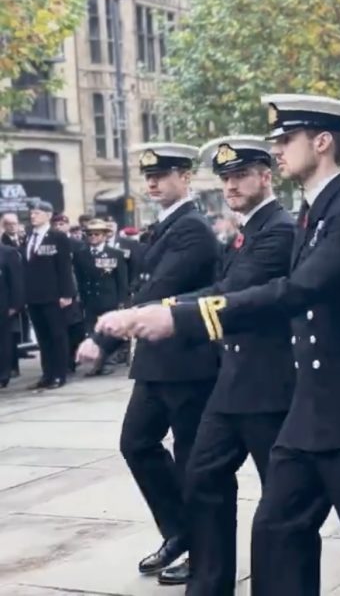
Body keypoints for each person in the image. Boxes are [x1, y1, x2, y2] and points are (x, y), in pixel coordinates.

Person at [95, 94, 340, 595]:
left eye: (286, 140)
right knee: (277, 532)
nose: (278, 151)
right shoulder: (315, 213)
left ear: (321, 142)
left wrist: (178, 318)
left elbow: (293, 292)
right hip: (314, 407)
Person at [150, 136, 299, 591]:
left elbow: (234, 293)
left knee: (280, 502)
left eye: (240, 176)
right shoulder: (247, 230)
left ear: (265, 176)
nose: (231, 186)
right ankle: (209, 584)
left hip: (268, 385)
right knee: (201, 480)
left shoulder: (279, 229)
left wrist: (165, 311)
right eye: (227, 178)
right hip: (233, 383)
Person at [77, 143, 221, 578]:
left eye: (164, 175)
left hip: (188, 364)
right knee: (136, 444)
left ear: (186, 178)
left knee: (192, 459)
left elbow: (155, 290)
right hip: (157, 363)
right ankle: (179, 531)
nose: (153, 183)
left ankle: (204, 552)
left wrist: (103, 337)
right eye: (149, 177)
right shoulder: (163, 226)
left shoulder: (193, 228)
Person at [23, 201, 77, 390]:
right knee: (43, 337)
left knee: (57, 335)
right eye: (32, 213)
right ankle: (47, 374)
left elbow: (64, 267)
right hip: (33, 296)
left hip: (53, 295)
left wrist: (66, 293)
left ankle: (59, 375)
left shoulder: (58, 237)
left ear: (48, 215)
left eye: (37, 213)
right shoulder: (28, 236)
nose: (32, 216)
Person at [76, 219, 128, 377]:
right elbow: (79, 279)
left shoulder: (115, 254)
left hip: (109, 299)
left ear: (105, 236)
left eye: (96, 234)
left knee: (109, 333)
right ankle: (97, 364)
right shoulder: (80, 255)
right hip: (90, 300)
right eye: (89, 234)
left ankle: (105, 362)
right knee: (93, 333)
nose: (92, 237)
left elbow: (122, 280)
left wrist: (122, 301)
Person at [0, 240, 23, 389]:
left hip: (3, 304)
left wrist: (16, 304)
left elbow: (17, 281)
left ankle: (3, 374)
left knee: (3, 341)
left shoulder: (8, 253)